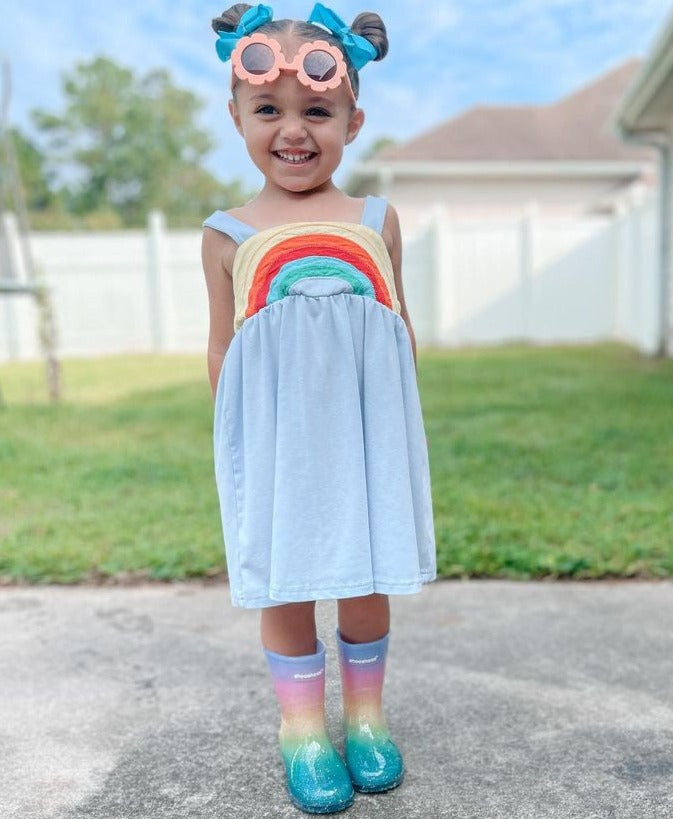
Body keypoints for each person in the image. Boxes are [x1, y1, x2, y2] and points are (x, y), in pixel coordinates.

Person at [201, 3, 436, 814]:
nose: (293, 130)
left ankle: (365, 717)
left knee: (365, 574)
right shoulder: (227, 234)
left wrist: (400, 434)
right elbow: (223, 347)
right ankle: (301, 729)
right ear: (236, 115)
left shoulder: (375, 220)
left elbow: (397, 327)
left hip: (363, 438)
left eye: (317, 112)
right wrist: (239, 444)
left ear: (352, 121)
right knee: (287, 583)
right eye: (268, 109)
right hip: (280, 442)